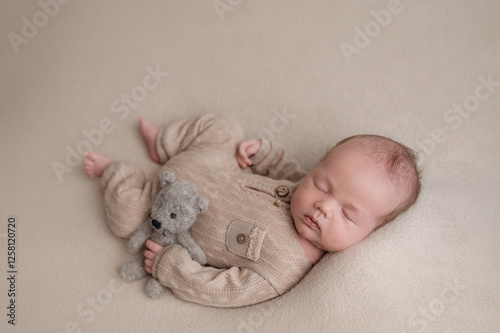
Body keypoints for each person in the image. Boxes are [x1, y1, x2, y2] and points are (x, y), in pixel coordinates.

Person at [83, 114, 421, 307]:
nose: (324, 206)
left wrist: (171, 267)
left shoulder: (282, 269)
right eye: (322, 184)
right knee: (225, 128)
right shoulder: (302, 191)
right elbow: (289, 171)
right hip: (212, 165)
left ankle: (117, 171)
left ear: (370, 234)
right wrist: (263, 153)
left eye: (347, 214)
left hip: (161, 214)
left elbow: (223, 289)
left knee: (125, 215)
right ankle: (164, 143)